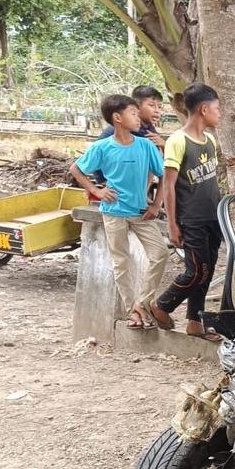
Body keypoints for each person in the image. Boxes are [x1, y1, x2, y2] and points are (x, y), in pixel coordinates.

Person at [68, 94, 166, 330]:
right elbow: (76, 169)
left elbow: (163, 175)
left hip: (142, 212)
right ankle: (133, 309)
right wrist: (95, 191)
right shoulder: (102, 147)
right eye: (133, 113)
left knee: (160, 253)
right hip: (113, 212)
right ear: (117, 118)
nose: (138, 118)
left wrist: (156, 205)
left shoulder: (145, 146)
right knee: (121, 262)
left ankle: (142, 303)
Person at [149, 83, 223, 342]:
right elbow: (168, 184)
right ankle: (162, 305)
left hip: (212, 217)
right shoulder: (178, 141)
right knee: (196, 271)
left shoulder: (211, 140)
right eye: (216, 109)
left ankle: (195, 321)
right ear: (203, 109)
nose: (219, 114)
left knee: (208, 270)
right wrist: (172, 224)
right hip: (191, 218)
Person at [97, 85, 166, 149]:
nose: (157, 110)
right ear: (137, 106)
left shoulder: (150, 129)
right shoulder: (121, 129)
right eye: (151, 105)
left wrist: (164, 145)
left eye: (159, 106)